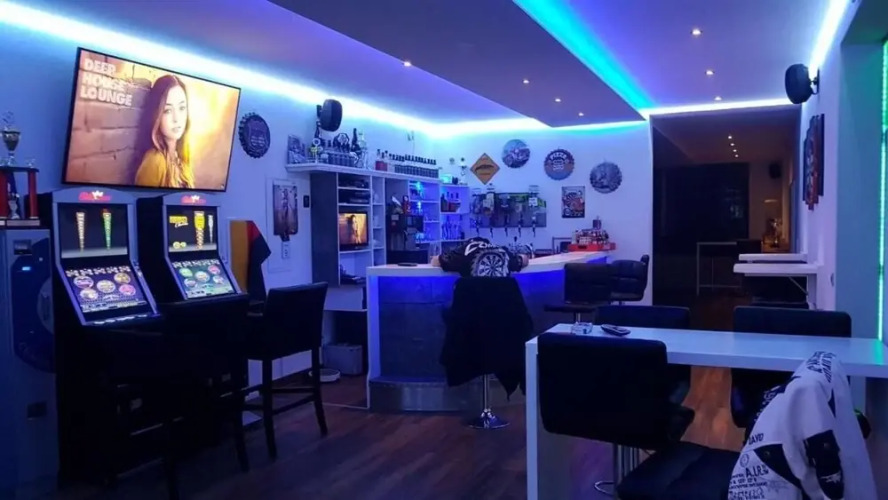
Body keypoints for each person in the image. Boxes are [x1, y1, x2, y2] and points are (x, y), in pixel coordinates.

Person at [133, 75, 195, 189]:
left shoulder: (181, 154)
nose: (176, 119)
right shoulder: (155, 161)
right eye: (167, 111)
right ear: (157, 115)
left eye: (182, 108)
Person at [431, 237, 529, 277]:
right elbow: (524, 260)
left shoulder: (465, 251)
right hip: (503, 308)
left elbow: (436, 261)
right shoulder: (502, 251)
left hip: (473, 309)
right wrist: (521, 255)